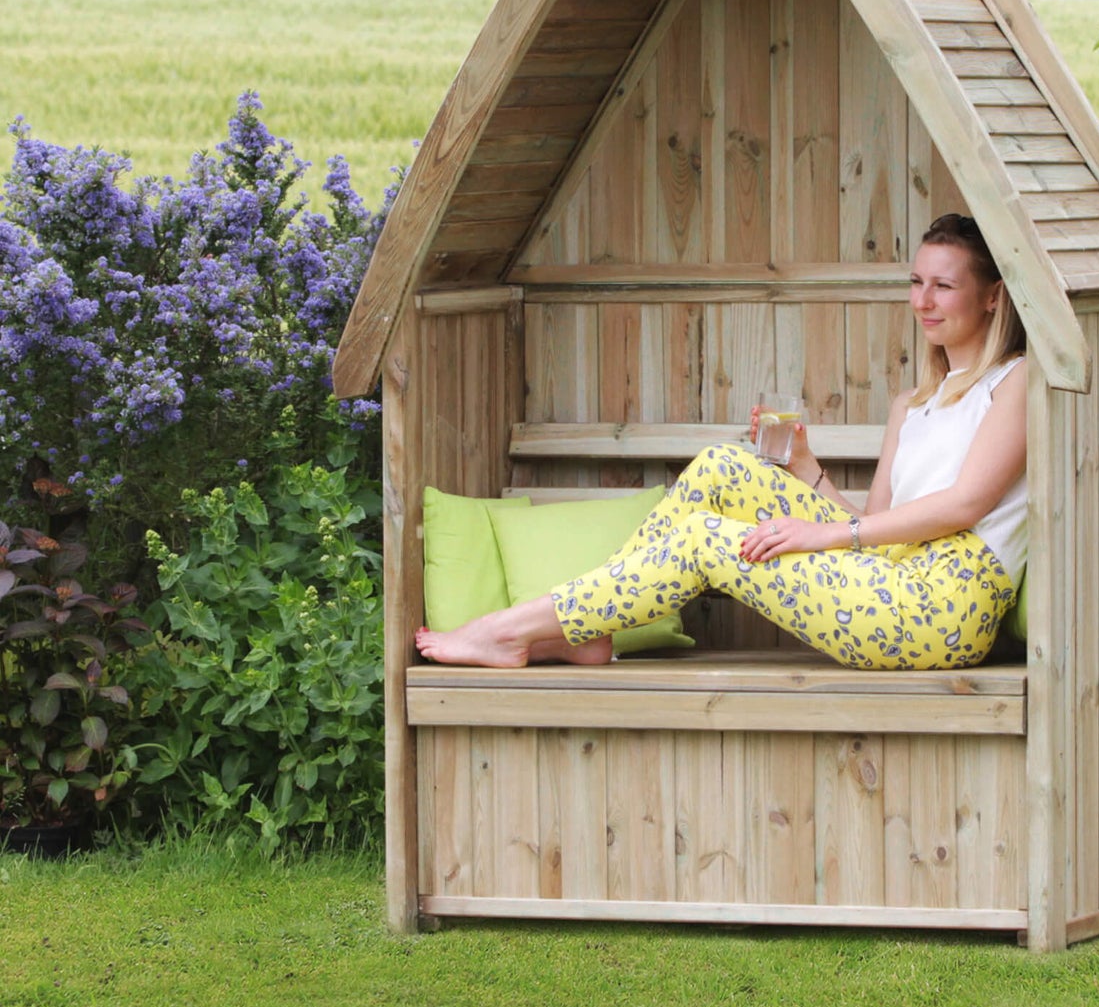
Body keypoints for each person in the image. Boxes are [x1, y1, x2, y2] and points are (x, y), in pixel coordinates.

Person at [415, 212, 1027, 671]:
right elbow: (879, 530)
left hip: (947, 605)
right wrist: (808, 469)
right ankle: (589, 630)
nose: (922, 300)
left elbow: (964, 506)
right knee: (722, 467)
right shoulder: (913, 405)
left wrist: (827, 533)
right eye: (917, 281)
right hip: (892, 576)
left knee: (707, 539)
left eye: (943, 286)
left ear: (992, 295)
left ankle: (512, 627)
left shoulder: (1014, 381)